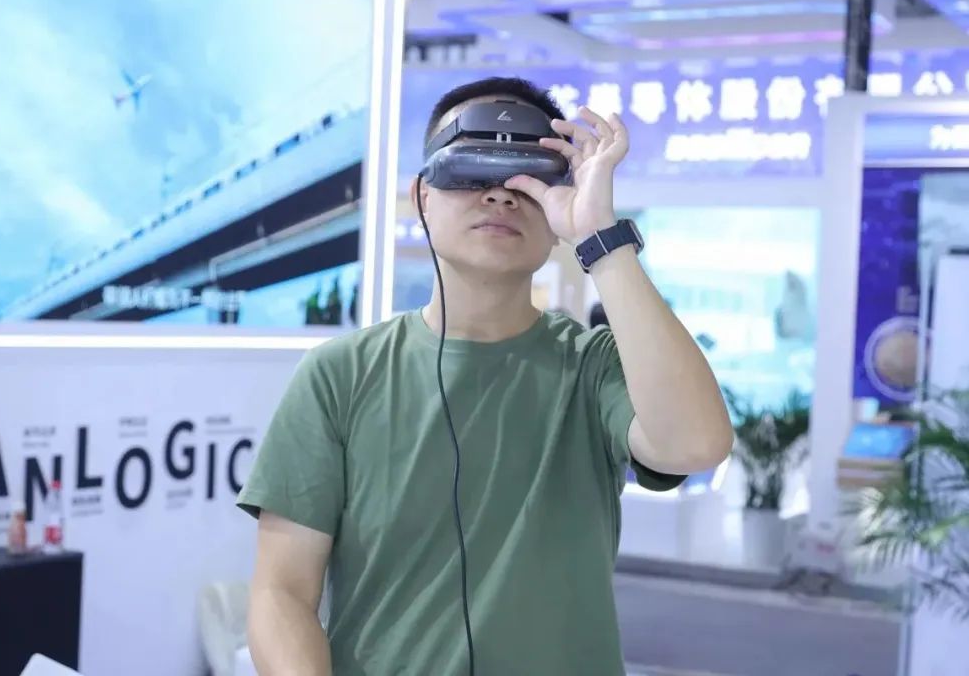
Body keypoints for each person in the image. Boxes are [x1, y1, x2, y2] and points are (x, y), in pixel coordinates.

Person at [238, 77, 734, 675]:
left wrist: (599, 235)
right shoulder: (340, 375)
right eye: (471, 173)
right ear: (423, 196)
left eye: (527, 179)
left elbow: (694, 445)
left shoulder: (594, 367)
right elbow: (283, 592)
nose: (500, 196)